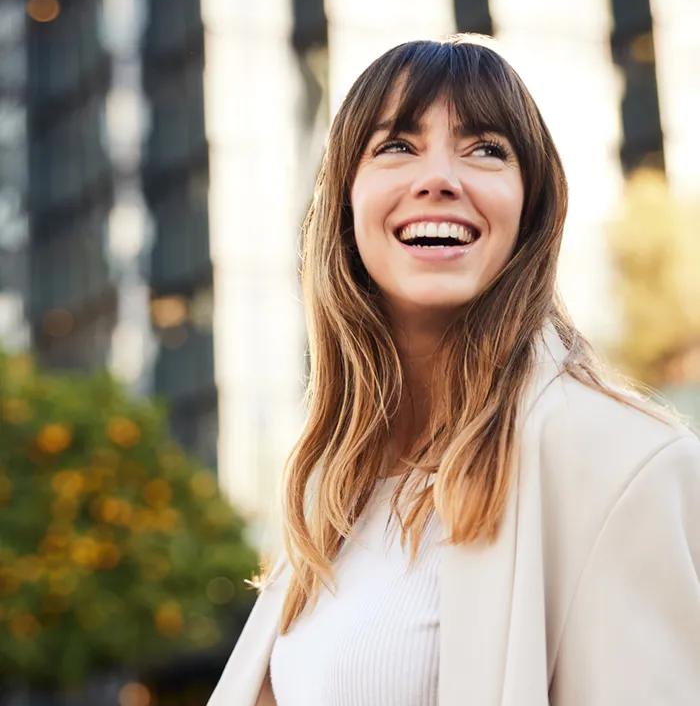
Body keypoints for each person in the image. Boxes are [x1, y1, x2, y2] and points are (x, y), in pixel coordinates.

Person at [207, 35, 700, 706]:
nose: (439, 177)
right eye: (398, 146)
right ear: (347, 203)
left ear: (529, 208)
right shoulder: (333, 484)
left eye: (485, 149)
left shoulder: (624, 464)